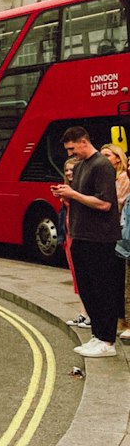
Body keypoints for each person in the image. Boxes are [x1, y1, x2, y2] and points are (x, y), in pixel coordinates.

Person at [52, 126, 123, 358]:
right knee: (87, 289)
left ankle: (108, 342)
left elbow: (105, 204)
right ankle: (98, 335)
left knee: (103, 289)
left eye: (73, 148)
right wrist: (66, 194)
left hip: (100, 237)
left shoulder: (101, 165)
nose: (71, 154)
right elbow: (82, 199)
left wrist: (74, 195)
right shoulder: (81, 166)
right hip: (80, 235)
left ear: (83, 141)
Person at [100, 142, 130, 343]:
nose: (103, 159)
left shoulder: (122, 179)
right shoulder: (111, 177)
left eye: (107, 155)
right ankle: (122, 320)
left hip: (120, 233)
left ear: (118, 158)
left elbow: (114, 205)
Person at [57, 157, 89, 330]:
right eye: (67, 170)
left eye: (73, 169)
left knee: (84, 276)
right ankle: (84, 313)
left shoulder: (81, 190)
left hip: (79, 236)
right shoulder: (68, 189)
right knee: (77, 276)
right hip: (69, 236)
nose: (69, 173)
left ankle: (88, 314)